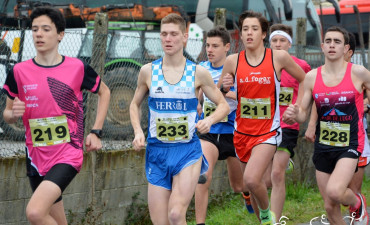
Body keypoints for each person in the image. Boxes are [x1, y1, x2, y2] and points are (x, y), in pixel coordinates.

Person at [2, 6, 110, 225]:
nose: (38, 34)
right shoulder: (19, 71)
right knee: (57, 220)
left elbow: (105, 91)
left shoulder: (77, 67)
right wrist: (12, 114)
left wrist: (96, 131)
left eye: (45, 29)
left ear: (60, 34)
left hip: (67, 153)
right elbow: (7, 114)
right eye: (34, 30)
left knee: (35, 212)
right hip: (35, 155)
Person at [129, 13, 229, 225]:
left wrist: (209, 121)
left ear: (184, 37)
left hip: (187, 152)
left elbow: (224, 106)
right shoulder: (148, 71)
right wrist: (138, 131)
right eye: (164, 34)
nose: (168, 39)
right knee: (160, 221)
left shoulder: (198, 73)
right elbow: (134, 104)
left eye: (174, 34)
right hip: (157, 152)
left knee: (175, 215)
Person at [219, 10, 306, 224]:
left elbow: (305, 80)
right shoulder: (232, 61)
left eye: (254, 29)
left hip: (268, 132)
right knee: (250, 185)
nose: (249, 33)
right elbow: (220, 91)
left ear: (264, 34)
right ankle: (265, 221)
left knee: (251, 178)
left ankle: (269, 215)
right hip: (241, 133)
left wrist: (298, 108)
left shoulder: (278, 57)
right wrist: (223, 88)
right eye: (245, 29)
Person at [283, 26, 369, 225]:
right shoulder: (312, 77)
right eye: (328, 41)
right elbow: (303, 113)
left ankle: (357, 202)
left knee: (335, 191)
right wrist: (295, 114)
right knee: (329, 205)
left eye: (337, 42)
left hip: (350, 143)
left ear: (345, 48)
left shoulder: (358, 73)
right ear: (322, 47)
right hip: (323, 145)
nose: (332, 45)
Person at [194, 26, 244, 225]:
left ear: (227, 47)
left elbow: (247, 99)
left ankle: (248, 196)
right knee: (203, 176)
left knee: (239, 186)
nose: (210, 49)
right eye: (207, 45)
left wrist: (224, 93)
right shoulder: (202, 69)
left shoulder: (236, 70)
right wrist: (198, 102)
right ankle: (200, 223)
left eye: (215, 46)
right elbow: (199, 91)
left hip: (233, 132)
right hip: (210, 131)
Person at [262, 23, 311, 221]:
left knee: (276, 174)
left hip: (287, 125)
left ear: (290, 44)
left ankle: (275, 219)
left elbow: (309, 89)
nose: (278, 44)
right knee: (264, 180)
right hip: (264, 125)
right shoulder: (261, 64)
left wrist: (297, 108)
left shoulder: (301, 65)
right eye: (274, 40)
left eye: (282, 40)